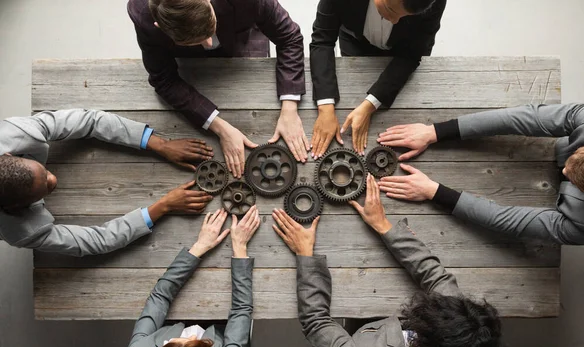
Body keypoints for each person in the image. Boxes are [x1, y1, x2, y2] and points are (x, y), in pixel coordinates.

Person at [272, 175, 505, 347]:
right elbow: (435, 277)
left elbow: (315, 322)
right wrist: (383, 225)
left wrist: (305, 256)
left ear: (421, 335)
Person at [128, 0, 308, 178]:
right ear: (159, 26)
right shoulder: (143, 16)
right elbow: (163, 79)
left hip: (241, 37)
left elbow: (289, 38)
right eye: (195, 40)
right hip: (194, 67)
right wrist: (220, 127)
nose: (209, 43)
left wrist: (290, 107)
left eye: (210, 29)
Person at [377, 103, 584, 245]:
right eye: (575, 158)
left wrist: (434, 192)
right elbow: (525, 118)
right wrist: (435, 131)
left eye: (573, 178)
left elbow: (510, 220)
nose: (564, 171)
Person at [0, 109, 214, 256]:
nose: (53, 178)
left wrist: (160, 144)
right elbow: (95, 241)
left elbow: (90, 121)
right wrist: (162, 206)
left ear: (10, 155)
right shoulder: (20, 231)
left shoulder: (14, 133)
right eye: (45, 189)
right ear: (16, 208)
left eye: (44, 172)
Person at [121, 206, 260, 347]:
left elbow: (159, 297)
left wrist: (199, 247)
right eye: (196, 342)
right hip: (222, 336)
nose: (192, 332)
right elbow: (241, 310)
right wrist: (240, 248)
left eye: (170, 343)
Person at [309, 0, 446, 158]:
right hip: (356, 39)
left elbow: (411, 55)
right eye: (390, 9)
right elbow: (322, 40)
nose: (394, 21)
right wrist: (325, 106)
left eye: (405, 16)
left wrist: (370, 105)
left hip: (401, 50)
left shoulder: (434, 2)